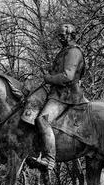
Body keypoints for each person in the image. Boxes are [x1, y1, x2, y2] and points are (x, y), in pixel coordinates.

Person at [21, 22, 85, 170]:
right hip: (57, 93)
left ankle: (49, 159)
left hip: (66, 95)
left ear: (70, 35)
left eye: (62, 35)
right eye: (59, 35)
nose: (60, 38)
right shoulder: (65, 51)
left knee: (42, 120)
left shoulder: (73, 52)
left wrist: (48, 78)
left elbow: (68, 76)